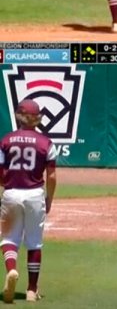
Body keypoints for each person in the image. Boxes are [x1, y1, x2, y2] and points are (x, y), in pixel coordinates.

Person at [0, 100, 58, 303]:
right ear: (37, 118)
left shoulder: (6, 140)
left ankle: (11, 270)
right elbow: (51, 177)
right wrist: (49, 198)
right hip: (34, 194)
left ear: (19, 117)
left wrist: (6, 182)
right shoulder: (46, 143)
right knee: (34, 242)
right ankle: (32, 290)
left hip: (11, 193)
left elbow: (0, 172)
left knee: (9, 240)